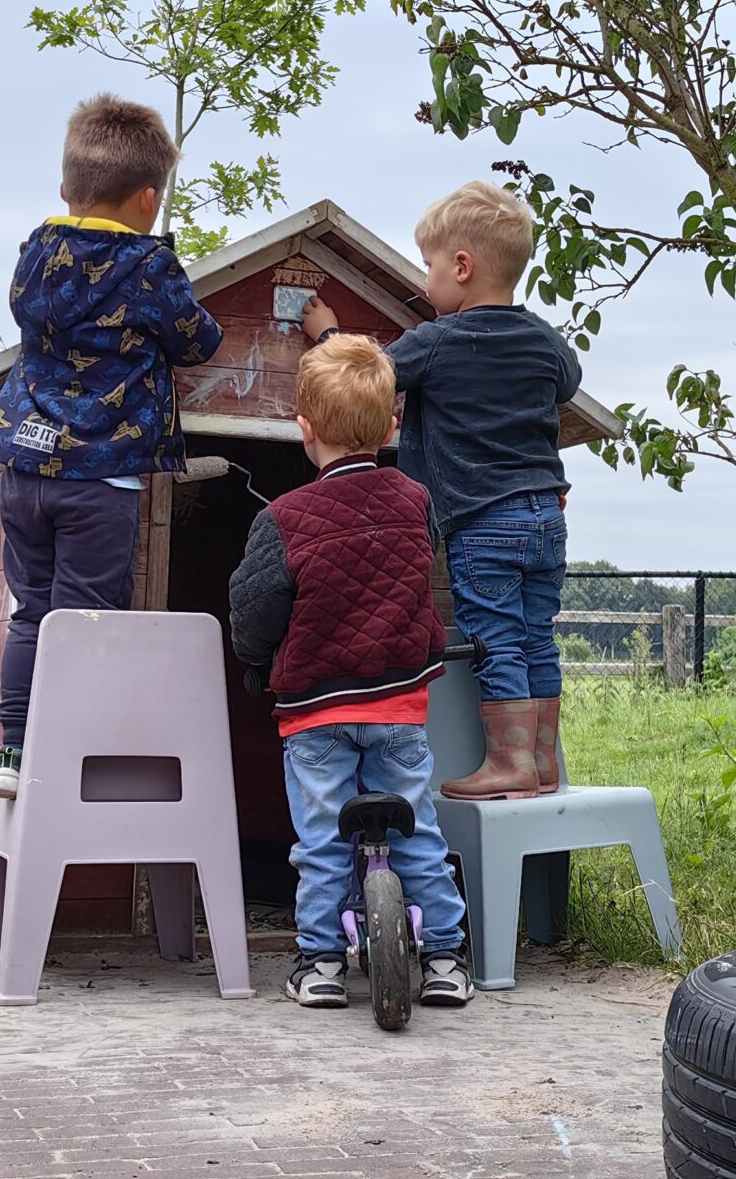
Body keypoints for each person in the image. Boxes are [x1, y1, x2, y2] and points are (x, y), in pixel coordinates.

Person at [0, 93, 223, 802]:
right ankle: (69, 751)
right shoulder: (147, 267)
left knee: (33, 612)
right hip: (99, 474)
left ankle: (14, 753)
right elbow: (198, 340)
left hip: (22, 461)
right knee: (83, 620)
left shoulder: (34, 254)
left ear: (66, 189)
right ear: (149, 198)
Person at [303, 180, 580, 800]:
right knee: (538, 633)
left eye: (428, 266)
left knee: (496, 637)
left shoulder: (439, 339)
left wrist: (328, 335)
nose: (423, 281)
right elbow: (568, 381)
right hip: (545, 517)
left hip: (483, 522)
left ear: (462, 266)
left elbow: (364, 380)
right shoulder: (543, 340)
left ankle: (507, 765)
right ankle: (539, 760)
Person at [228, 333, 474, 1009]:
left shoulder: (283, 519)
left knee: (321, 840)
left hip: (316, 715)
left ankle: (320, 963)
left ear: (303, 430)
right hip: (398, 706)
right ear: (393, 424)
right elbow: (430, 581)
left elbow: (254, 614)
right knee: (418, 828)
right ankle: (449, 957)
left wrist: (257, 663)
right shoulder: (414, 502)